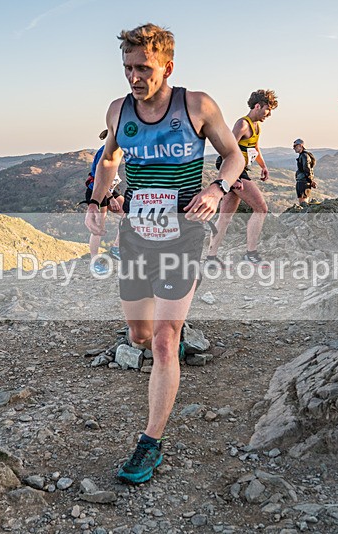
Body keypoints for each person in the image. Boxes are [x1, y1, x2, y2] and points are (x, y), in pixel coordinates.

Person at [85, 23, 243, 484]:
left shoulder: (196, 105)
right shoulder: (118, 111)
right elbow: (110, 158)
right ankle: (172, 323)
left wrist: (217, 188)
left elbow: (234, 156)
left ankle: (150, 444)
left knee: (162, 342)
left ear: (167, 66)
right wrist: (97, 200)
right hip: (135, 233)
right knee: (138, 336)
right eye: (128, 68)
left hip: (184, 233)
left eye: (144, 68)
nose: (135, 77)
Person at [205, 89, 277, 266]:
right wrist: (231, 178)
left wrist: (263, 166)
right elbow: (226, 151)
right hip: (234, 172)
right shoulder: (242, 125)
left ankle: (211, 258)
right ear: (257, 106)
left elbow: (254, 148)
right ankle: (251, 254)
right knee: (261, 208)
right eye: (268, 109)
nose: (269, 114)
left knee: (225, 217)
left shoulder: (256, 126)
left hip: (238, 172)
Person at [84, 129, 124, 275]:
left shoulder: (118, 150)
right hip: (98, 191)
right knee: (98, 226)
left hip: (112, 190)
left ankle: (116, 248)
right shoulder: (103, 152)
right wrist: (111, 198)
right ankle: (94, 262)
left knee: (128, 214)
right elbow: (98, 180)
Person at [293, 139, 317, 205]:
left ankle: (304, 214)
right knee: (303, 200)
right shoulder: (302, 155)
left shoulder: (304, 156)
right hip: (303, 181)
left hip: (303, 182)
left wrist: (310, 181)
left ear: (301, 146)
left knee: (303, 202)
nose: (293, 148)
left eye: (295, 146)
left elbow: (307, 168)